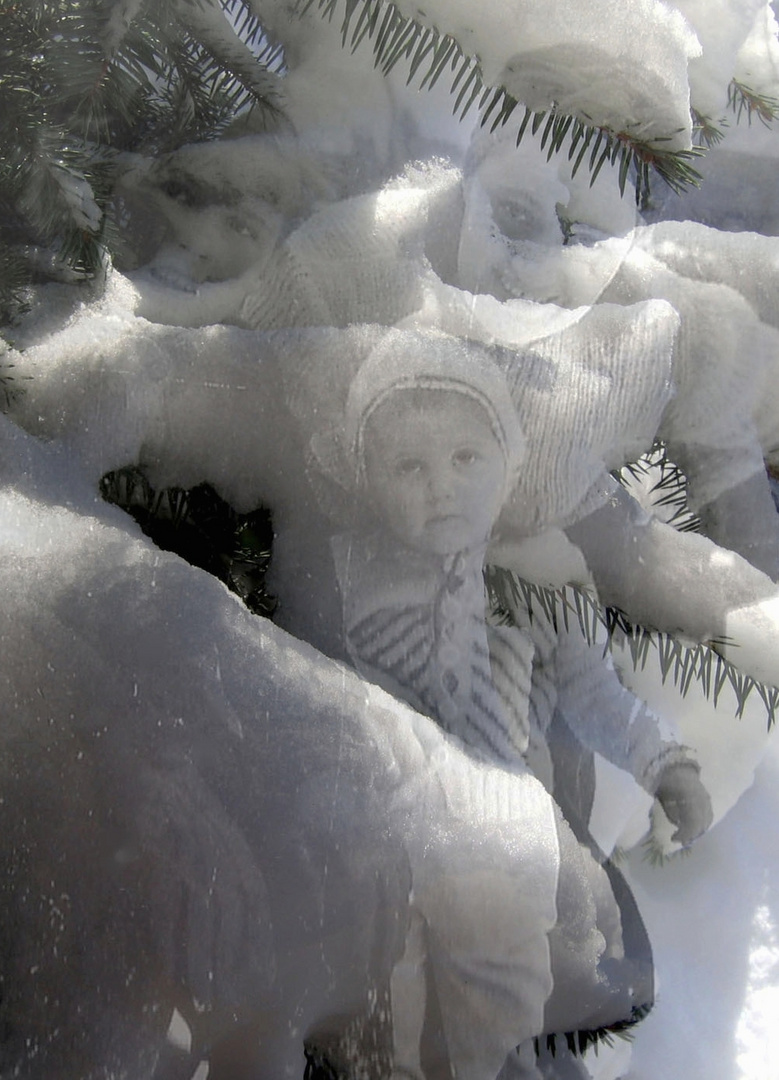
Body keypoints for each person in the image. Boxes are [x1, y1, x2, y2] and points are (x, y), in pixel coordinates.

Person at [318, 328, 711, 1078]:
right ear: (370, 481)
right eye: (408, 465)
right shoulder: (353, 580)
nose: (439, 484)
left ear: (507, 468)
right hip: (387, 827)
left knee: (495, 964)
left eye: (466, 457)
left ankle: (500, 1063)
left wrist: (665, 763)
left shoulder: (538, 579)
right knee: (381, 973)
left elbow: (596, 695)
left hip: (501, 826)